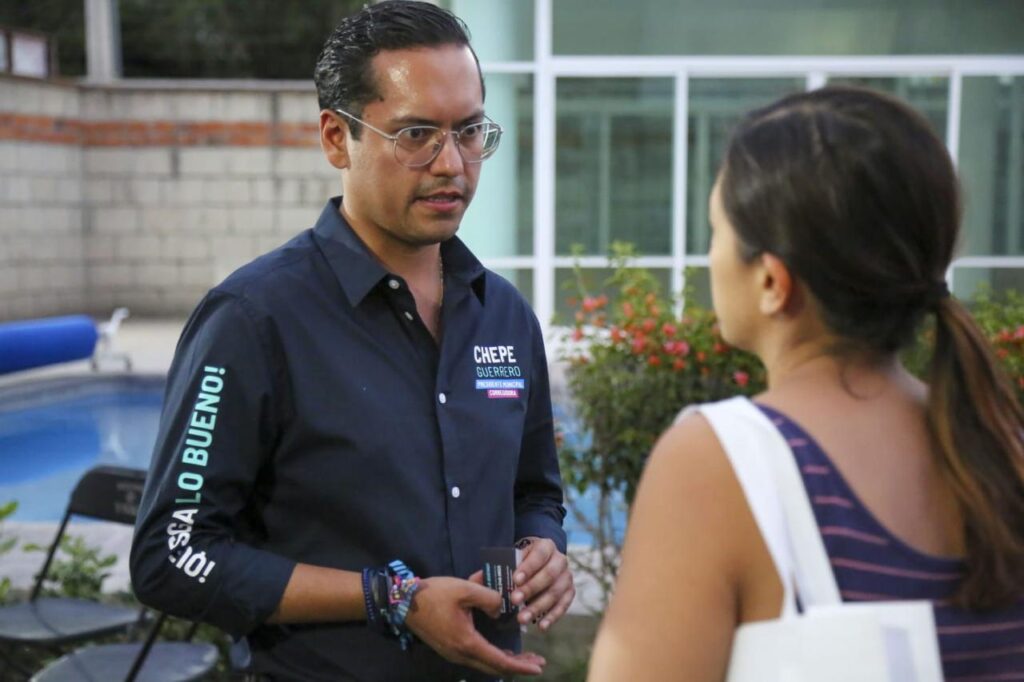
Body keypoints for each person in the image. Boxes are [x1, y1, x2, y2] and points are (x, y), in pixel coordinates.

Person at [129, 3, 574, 680]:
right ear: (337, 138)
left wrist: (544, 545)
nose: (451, 163)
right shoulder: (253, 320)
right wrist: (391, 598)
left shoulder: (504, 316)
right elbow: (173, 554)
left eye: (469, 131)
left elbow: (534, 491)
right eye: (416, 134)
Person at [587, 86, 1024, 680]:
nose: (709, 257)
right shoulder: (1001, 446)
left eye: (716, 231)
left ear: (772, 281)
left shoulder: (717, 463)